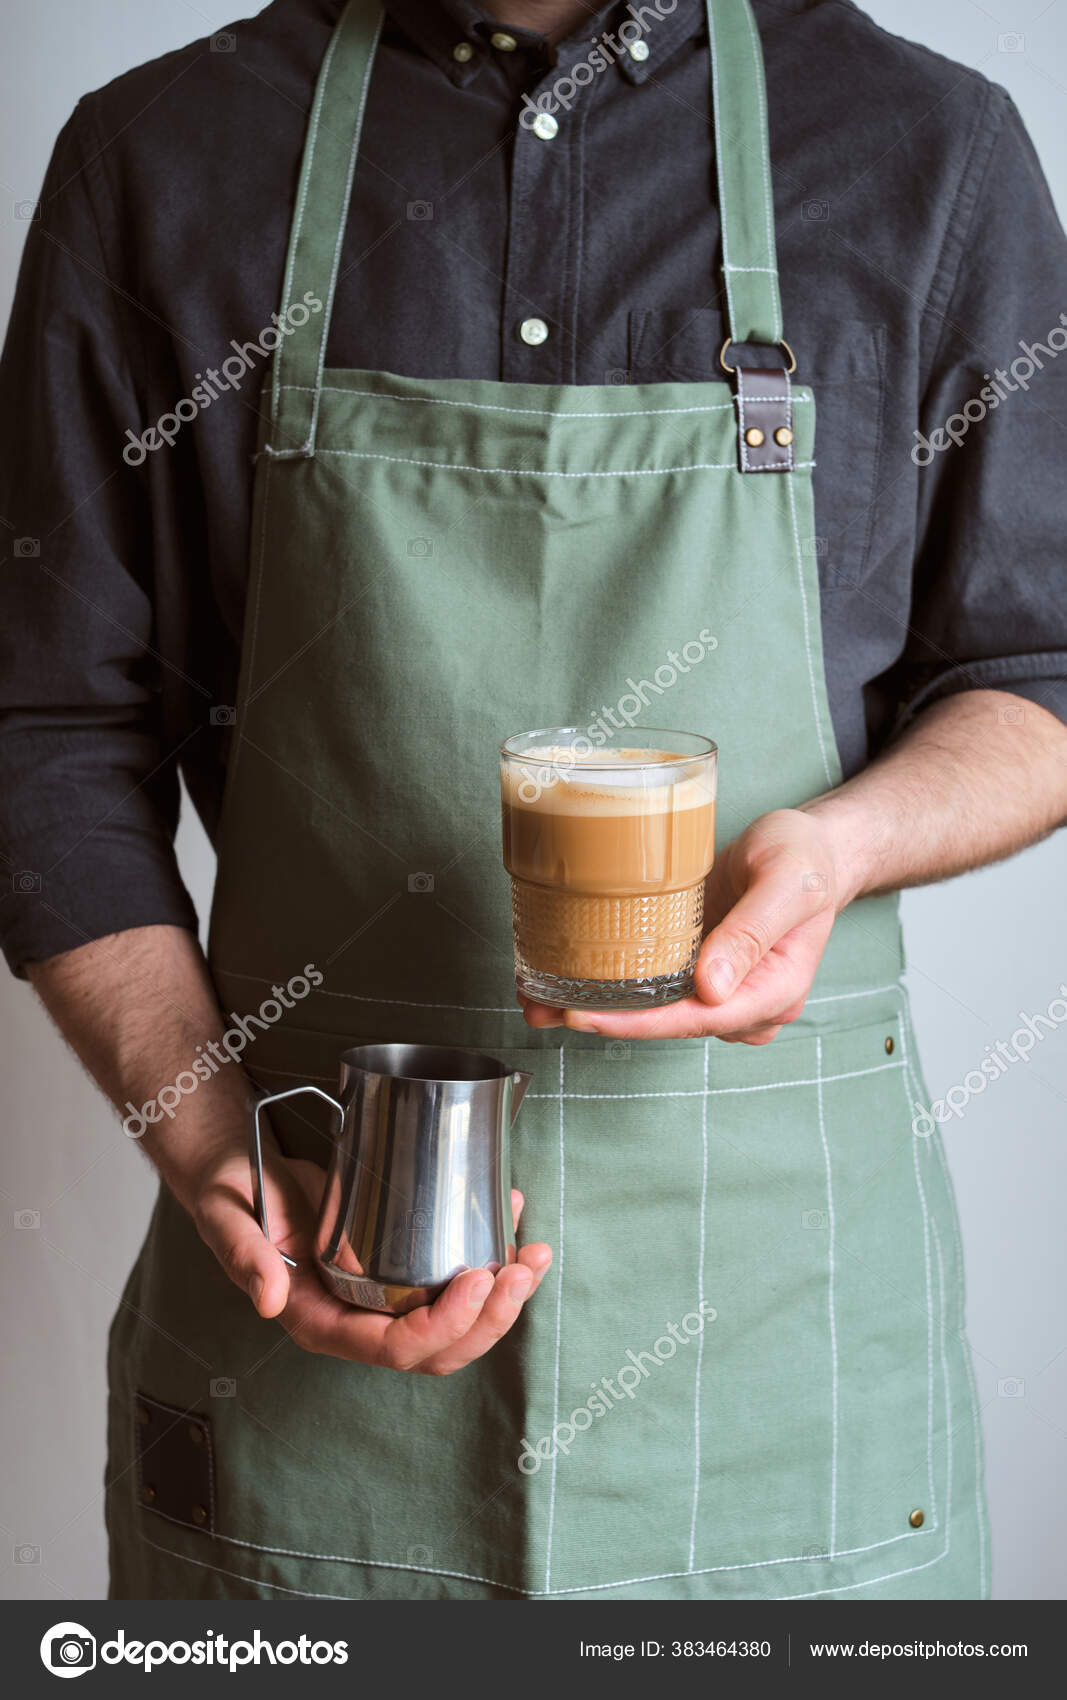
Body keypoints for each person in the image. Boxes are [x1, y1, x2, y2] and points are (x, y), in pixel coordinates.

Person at [2, 0, 1065, 1602]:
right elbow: (43, 728)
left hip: (782, 1361)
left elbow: (1041, 668)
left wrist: (840, 847)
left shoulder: (928, 150)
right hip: (311, 1279)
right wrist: (207, 1134)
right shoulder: (159, 154)